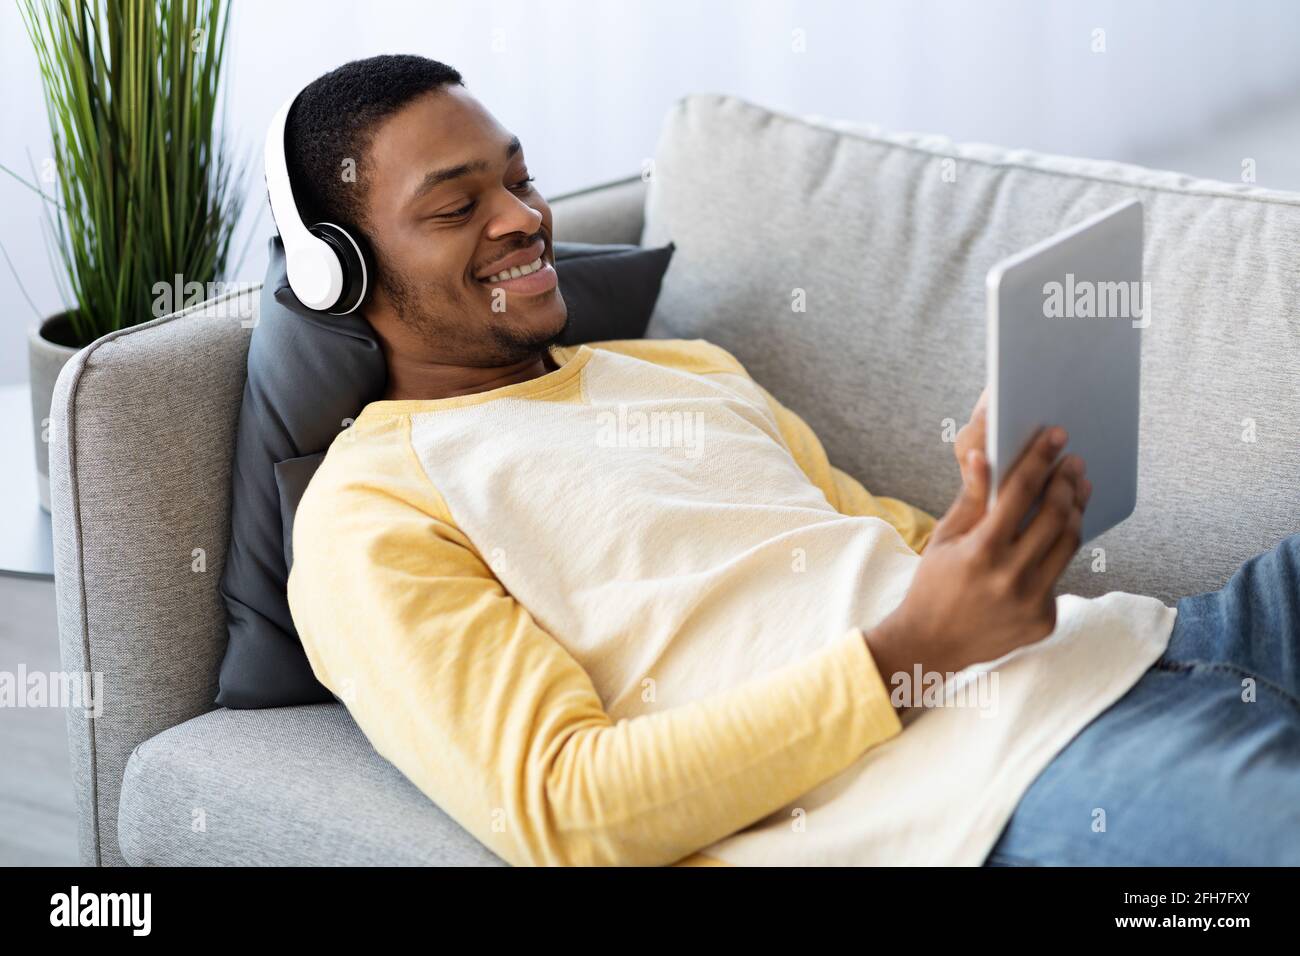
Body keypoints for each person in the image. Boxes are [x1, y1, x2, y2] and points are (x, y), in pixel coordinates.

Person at [284, 54, 1300, 866]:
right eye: (457, 206)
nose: (521, 218)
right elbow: (569, 808)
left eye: (519, 177)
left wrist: (981, 525)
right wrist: (916, 652)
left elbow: (888, 559)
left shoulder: (682, 368)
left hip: (1154, 643)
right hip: (1012, 775)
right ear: (340, 269)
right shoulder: (371, 509)